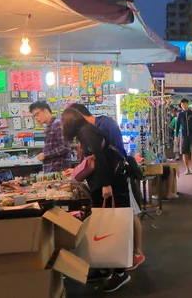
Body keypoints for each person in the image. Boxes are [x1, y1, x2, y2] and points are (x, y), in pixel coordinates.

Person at [68, 104, 146, 272]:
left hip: (117, 178)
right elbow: (95, 157)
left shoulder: (101, 125)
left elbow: (110, 154)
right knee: (121, 216)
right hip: (110, 181)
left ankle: (134, 255)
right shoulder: (89, 130)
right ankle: (118, 260)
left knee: (127, 214)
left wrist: (106, 183)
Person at [61, 108, 131, 293]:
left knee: (111, 225)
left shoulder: (86, 131)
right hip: (104, 183)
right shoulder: (85, 131)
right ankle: (103, 267)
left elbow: (100, 158)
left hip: (109, 184)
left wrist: (106, 185)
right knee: (103, 225)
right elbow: (93, 158)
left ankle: (120, 272)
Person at [29, 101, 71, 173]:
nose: (36, 118)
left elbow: (65, 147)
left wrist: (45, 155)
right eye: (34, 116)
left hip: (59, 171)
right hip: (52, 170)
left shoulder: (58, 124)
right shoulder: (50, 126)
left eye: (37, 114)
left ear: (45, 110)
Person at [176, 99, 192, 174]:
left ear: (188, 104)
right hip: (183, 135)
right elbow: (177, 125)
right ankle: (187, 169)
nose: (184, 106)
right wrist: (176, 136)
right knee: (184, 152)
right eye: (182, 105)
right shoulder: (180, 114)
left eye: (185, 104)